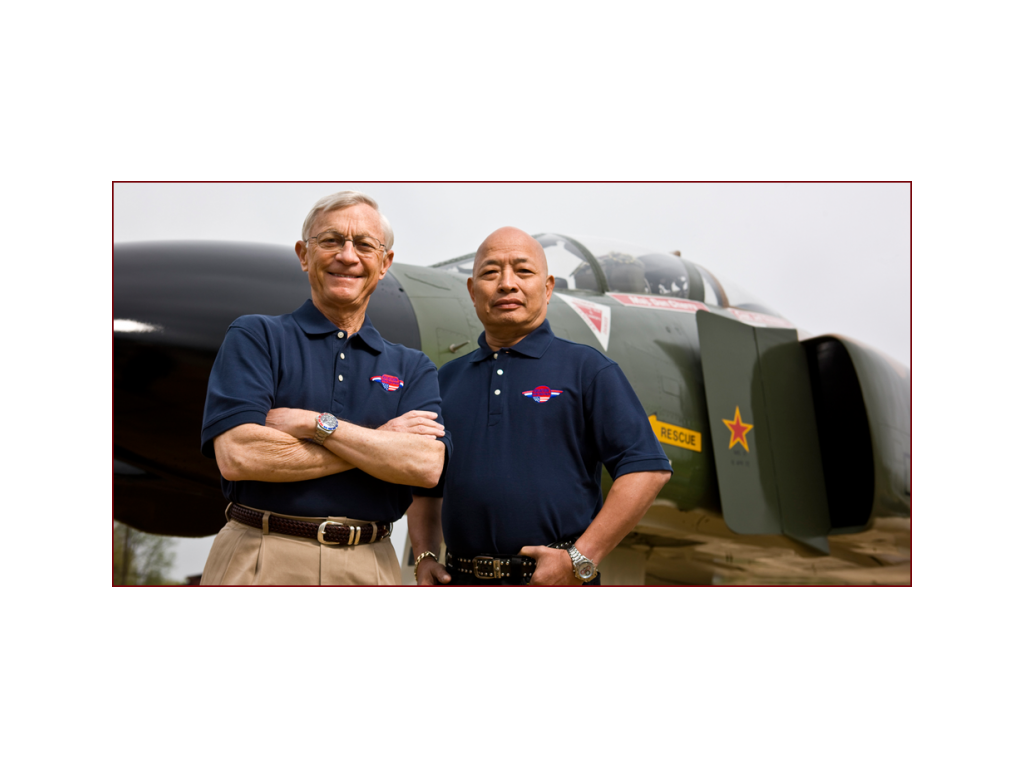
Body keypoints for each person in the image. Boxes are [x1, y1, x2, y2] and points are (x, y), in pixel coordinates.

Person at [200, 191, 450, 585]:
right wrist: (381, 442)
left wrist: (314, 424)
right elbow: (239, 455)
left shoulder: (414, 366)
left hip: (370, 563)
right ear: (304, 255)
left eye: (364, 244)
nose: (347, 256)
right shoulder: (255, 336)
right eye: (331, 240)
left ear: (384, 264)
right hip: (260, 554)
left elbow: (425, 466)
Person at [410, 227, 671, 586]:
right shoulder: (446, 379)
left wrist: (580, 559)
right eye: (491, 272)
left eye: (523, 271)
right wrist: (424, 554)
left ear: (547, 288)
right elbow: (425, 485)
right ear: (472, 291)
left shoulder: (589, 370)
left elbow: (647, 469)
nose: (507, 284)